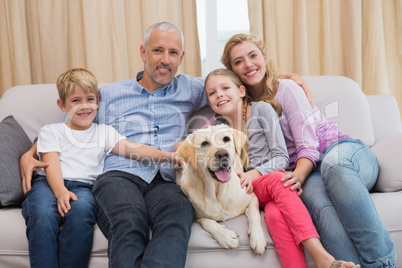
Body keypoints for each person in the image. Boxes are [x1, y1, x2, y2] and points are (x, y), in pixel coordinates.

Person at [19, 22, 310, 268]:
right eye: (158, 50)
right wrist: (31, 152)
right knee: (129, 221)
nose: (165, 60)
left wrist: (282, 80)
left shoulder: (193, 88)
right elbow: (71, 123)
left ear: (181, 57)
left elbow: (228, 86)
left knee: (177, 219)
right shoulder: (110, 93)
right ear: (143, 52)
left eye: (172, 53)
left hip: (169, 179)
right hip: (120, 175)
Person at [220, 33, 396, 268]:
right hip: (311, 172)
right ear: (232, 70)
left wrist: (298, 176)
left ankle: (383, 265)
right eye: (238, 61)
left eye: (253, 55)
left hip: (340, 150)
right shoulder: (243, 106)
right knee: (316, 204)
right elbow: (213, 94)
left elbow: (308, 144)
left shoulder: (287, 88)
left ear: (264, 57)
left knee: (335, 167)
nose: (248, 64)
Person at [21, 68, 181, 268]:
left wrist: (167, 156)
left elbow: (134, 149)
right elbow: (50, 163)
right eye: (76, 101)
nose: (84, 106)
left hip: (84, 188)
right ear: (62, 104)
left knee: (82, 215)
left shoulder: (105, 132)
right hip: (48, 183)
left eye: (89, 99)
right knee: (42, 214)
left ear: (98, 101)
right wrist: (60, 190)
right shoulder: (51, 131)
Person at [204, 68, 358, 268]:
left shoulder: (262, 110)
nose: (220, 94)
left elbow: (281, 157)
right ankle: (323, 258)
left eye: (225, 87)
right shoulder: (215, 125)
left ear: (242, 90)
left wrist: (255, 173)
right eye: (212, 93)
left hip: (264, 183)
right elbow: (187, 145)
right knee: (280, 180)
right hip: (243, 190)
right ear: (208, 102)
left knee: (275, 215)